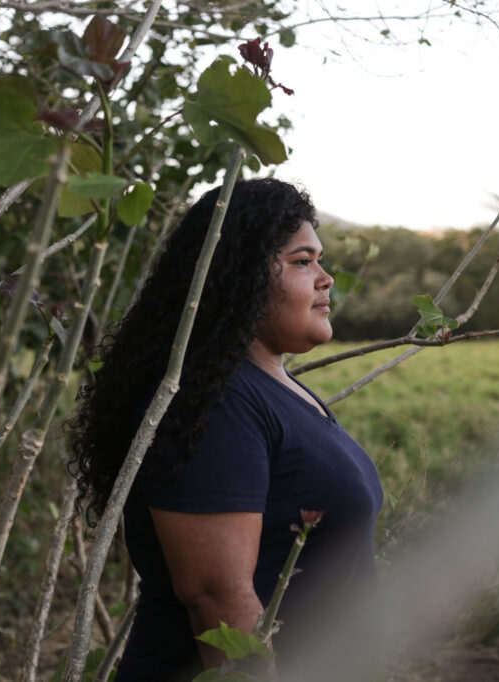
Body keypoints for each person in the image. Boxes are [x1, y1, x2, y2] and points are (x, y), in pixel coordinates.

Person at [69, 177, 383, 681]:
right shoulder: (213, 402)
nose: (325, 278)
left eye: (319, 260)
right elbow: (217, 598)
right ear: (239, 275)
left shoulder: (272, 385)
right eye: (303, 261)